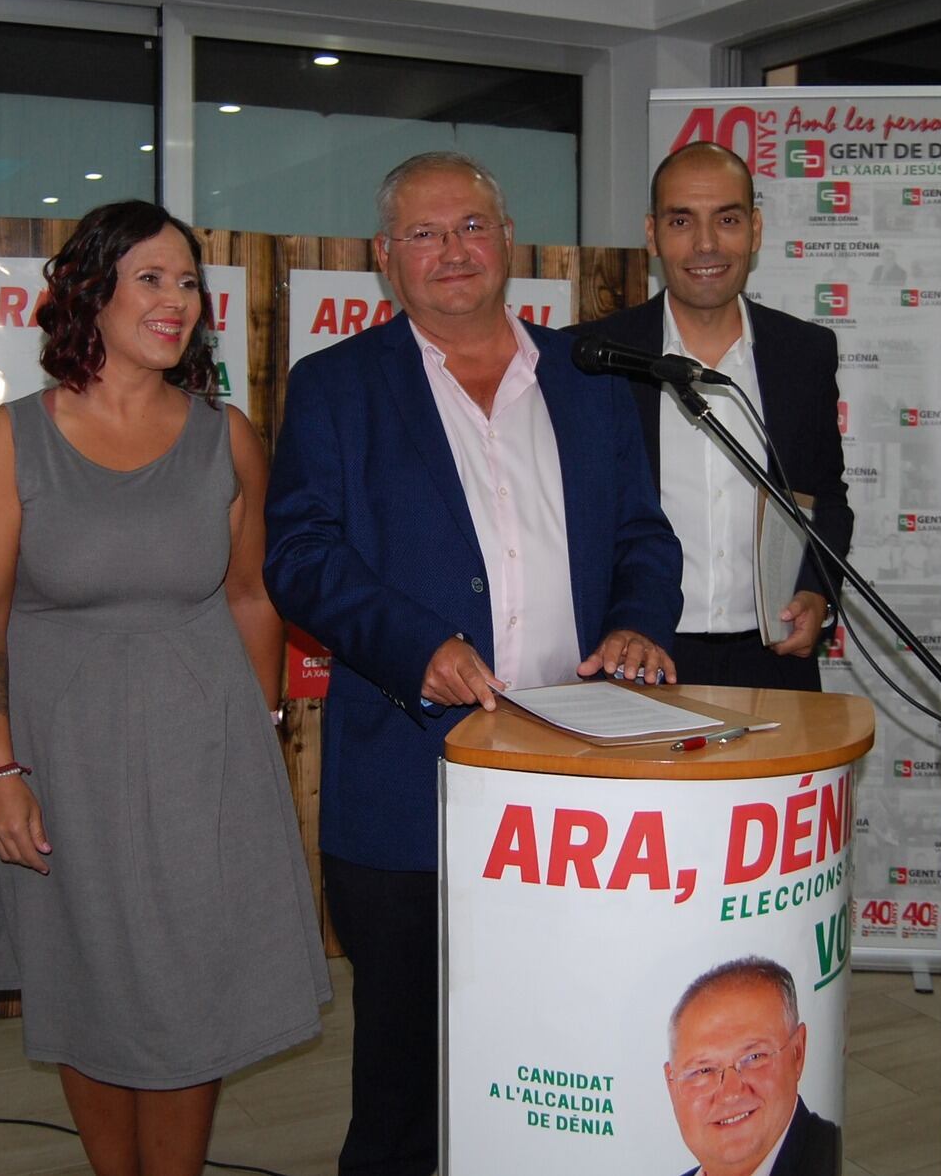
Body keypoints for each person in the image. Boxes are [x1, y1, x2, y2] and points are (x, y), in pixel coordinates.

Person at [265, 150, 682, 1176]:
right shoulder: (334, 387)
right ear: (383, 259)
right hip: (413, 782)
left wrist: (636, 619)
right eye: (422, 233)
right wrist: (417, 646)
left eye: (470, 228)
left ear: (505, 244)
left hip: (573, 777)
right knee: (406, 1075)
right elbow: (300, 557)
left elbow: (641, 534)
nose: (450, 251)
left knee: (559, 1052)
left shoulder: (586, 378)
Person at [0, 200, 328, 1176]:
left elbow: (249, 596)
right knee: (86, 983)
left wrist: (255, 728)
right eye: (150, 279)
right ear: (91, 292)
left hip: (201, 759)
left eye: (188, 282)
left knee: (185, 987)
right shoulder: (9, 441)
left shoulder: (224, 438)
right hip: (59, 764)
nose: (176, 302)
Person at [574, 142, 851, 688]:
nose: (706, 243)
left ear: (755, 229)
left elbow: (827, 495)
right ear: (652, 235)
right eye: (682, 220)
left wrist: (818, 591)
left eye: (726, 219)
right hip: (637, 657)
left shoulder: (804, 352)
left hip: (774, 661)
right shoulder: (595, 355)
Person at [663, 957, 839, 1176]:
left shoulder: (830, 1157)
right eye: (704, 1070)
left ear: (798, 1052)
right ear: (671, 1085)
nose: (730, 1094)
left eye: (754, 1057)